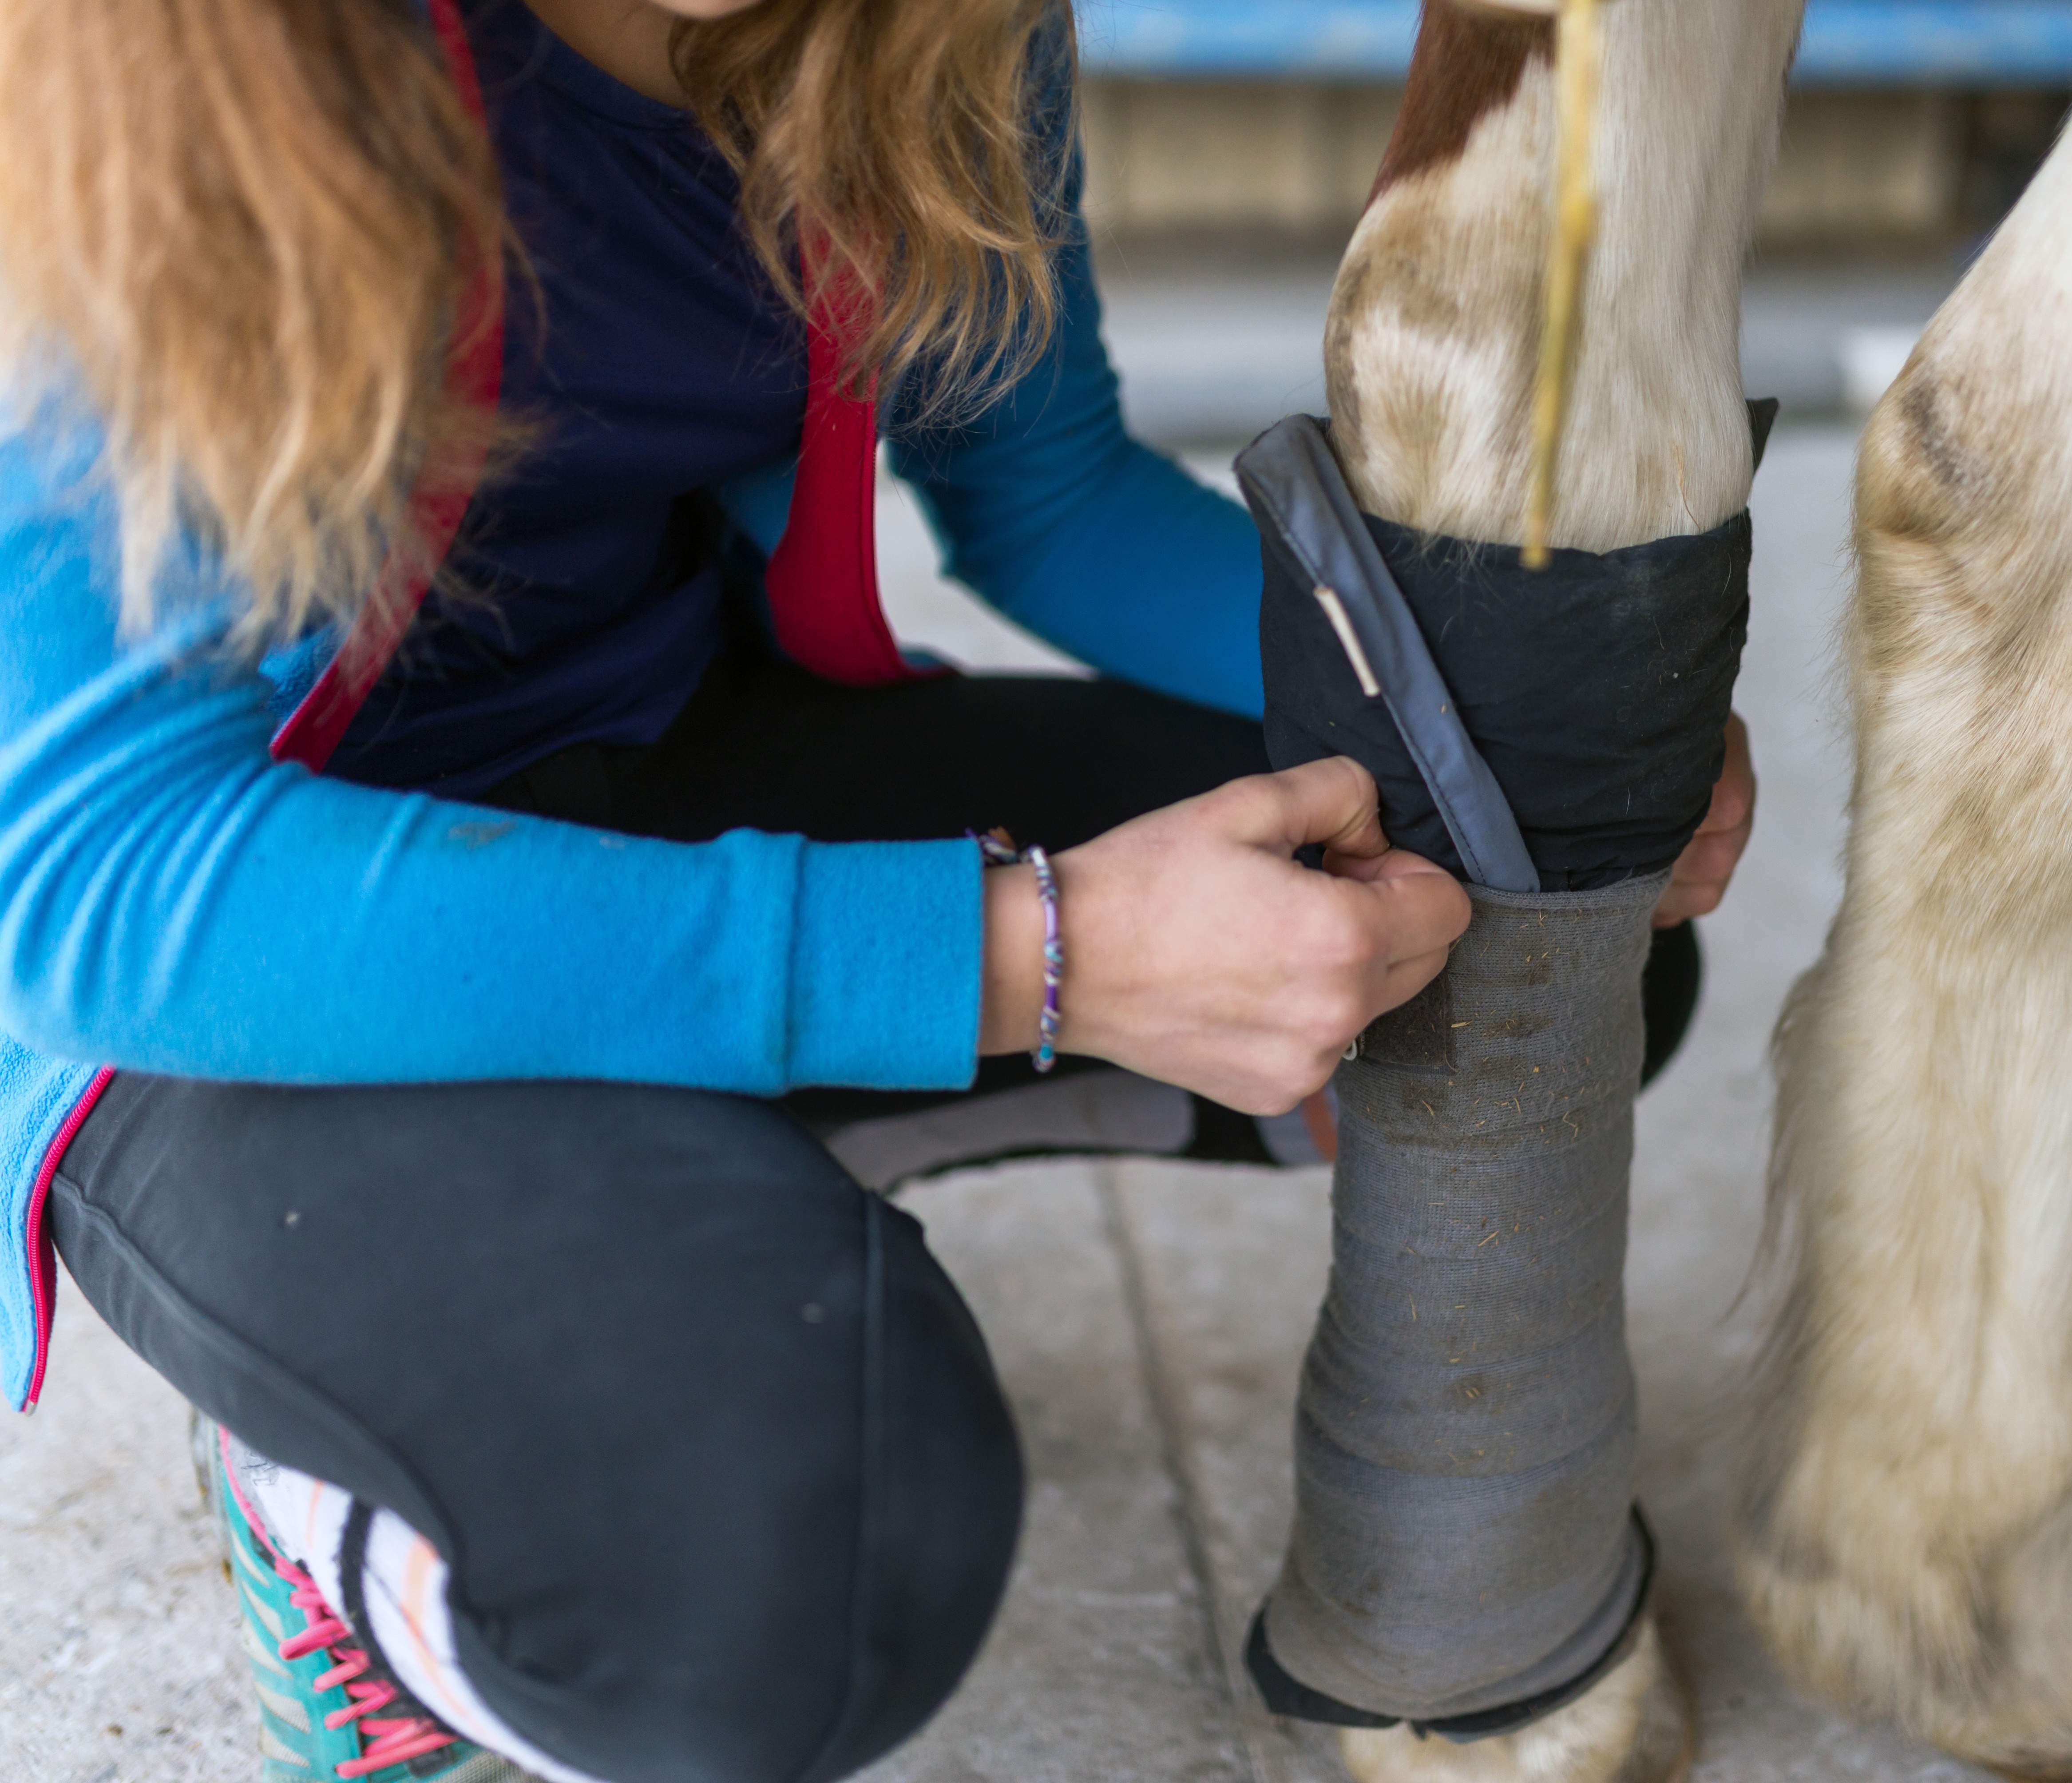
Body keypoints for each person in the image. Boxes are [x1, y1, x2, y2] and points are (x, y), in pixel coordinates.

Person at [0, 3, 1759, 1781]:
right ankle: (343, 1496)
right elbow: (87, 875)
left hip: (668, 750)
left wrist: (1526, 721)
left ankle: (676, 1161)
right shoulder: (154, 51)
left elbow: (1046, 492)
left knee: (1511, 921)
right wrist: (1019, 957)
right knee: (791, 1567)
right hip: (232, 976)